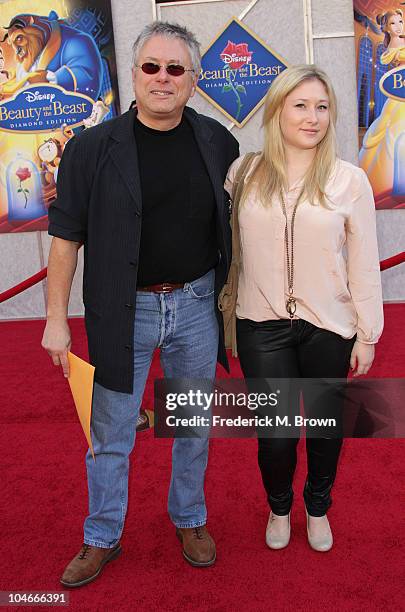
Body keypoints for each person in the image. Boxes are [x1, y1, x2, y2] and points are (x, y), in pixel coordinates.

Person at [41, 21, 239, 587]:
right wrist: (56, 319)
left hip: (197, 305)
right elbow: (66, 237)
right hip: (121, 310)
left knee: (192, 423)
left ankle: (190, 518)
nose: (161, 78)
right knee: (112, 433)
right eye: (151, 66)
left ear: (194, 81)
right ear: (133, 73)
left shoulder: (218, 142)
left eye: (175, 69)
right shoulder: (91, 148)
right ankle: (102, 534)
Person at [225, 65, 383, 552]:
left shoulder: (349, 180)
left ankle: (316, 506)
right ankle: (279, 506)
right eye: (300, 105)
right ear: (276, 111)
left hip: (329, 328)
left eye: (321, 106)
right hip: (261, 326)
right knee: (274, 437)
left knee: (323, 430)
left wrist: (367, 334)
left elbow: (363, 261)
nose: (312, 117)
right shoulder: (243, 174)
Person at [359, 8, 405, 201]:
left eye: (400, 22)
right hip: (399, 94)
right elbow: (390, 60)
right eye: (393, 23)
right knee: (395, 132)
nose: (398, 26)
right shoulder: (396, 43)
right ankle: (394, 181)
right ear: (386, 28)